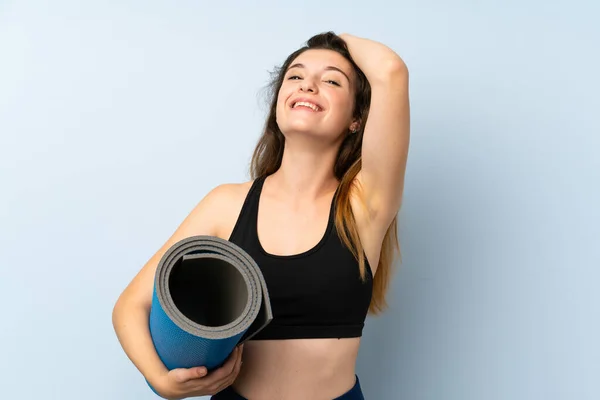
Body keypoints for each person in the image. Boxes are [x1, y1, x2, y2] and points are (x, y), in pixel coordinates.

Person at [112, 31, 410, 400]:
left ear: (356, 120)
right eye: (295, 77)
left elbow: (390, 70)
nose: (309, 86)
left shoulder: (363, 206)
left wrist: (331, 37)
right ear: (278, 104)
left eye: (331, 80)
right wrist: (160, 380)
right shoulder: (226, 204)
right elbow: (131, 305)